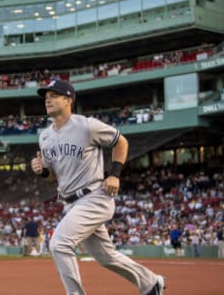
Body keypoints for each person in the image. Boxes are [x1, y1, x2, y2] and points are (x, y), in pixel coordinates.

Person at [30, 79, 164, 295]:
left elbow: (121, 142)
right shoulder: (44, 137)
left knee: (59, 244)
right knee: (106, 256)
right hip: (70, 203)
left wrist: (115, 175)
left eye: (53, 96)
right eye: (46, 97)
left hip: (94, 197)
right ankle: (151, 283)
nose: (48, 100)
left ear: (68, 100)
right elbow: (52, 176)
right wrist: (42, 171)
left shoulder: (86, 126)